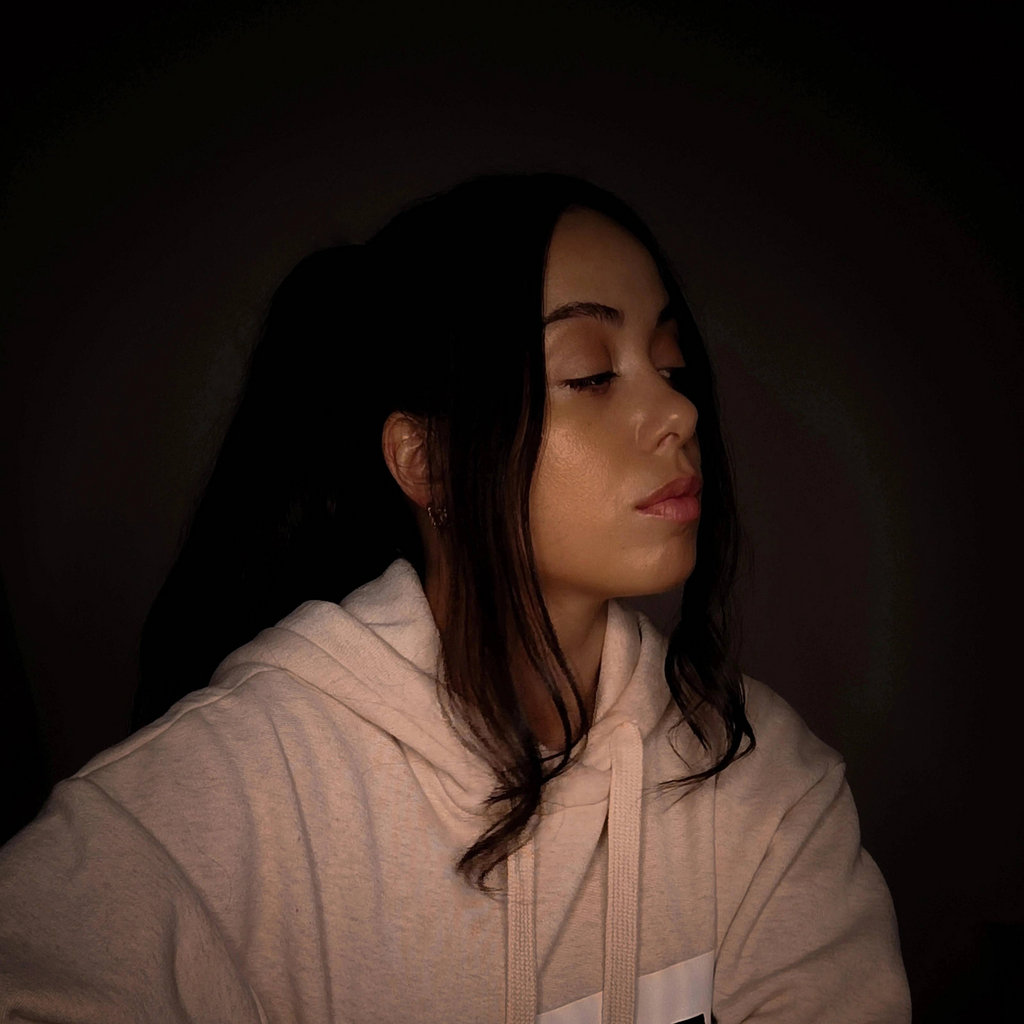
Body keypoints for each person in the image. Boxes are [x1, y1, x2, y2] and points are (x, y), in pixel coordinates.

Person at [0, 174, 910, 1022]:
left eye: (669, 365)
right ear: (426, 461)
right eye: (591, 375)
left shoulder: (766, 784)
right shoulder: (214, 804)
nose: (681, 414)